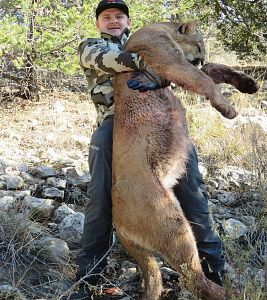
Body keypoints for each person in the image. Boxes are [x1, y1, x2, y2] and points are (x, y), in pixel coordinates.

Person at [67, 0, 226, 298]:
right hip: (116, 127)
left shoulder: (156, 42)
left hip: (164, 124)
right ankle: (90, 277)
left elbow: (190, 70)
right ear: (99, 24)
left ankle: (215, 270)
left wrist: (206, 70)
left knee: (193, 193)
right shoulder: (91, 46)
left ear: (128, 21)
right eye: (106, 17)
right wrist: (158, 61)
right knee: (100, 197)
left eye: (119, 16)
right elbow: (115, 61)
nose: (113, 21)